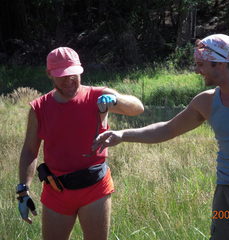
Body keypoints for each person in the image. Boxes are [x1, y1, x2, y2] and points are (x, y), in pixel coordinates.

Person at [91, 34, 229, 240]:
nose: (197, 71)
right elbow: (168, 129)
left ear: (219, 63)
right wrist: (122, 134)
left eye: (200, 65)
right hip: (225, 197)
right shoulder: (205, 102)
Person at [16, 46, 144, 240]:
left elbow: (138, 108)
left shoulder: (97, 96)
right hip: (56, 190)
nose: (69, 80)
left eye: (73, 74)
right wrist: (23, 190)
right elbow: (30, 150)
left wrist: (116, 100)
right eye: (62, 75)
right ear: (49, 74)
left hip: (95, 186)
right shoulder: (39, 108)